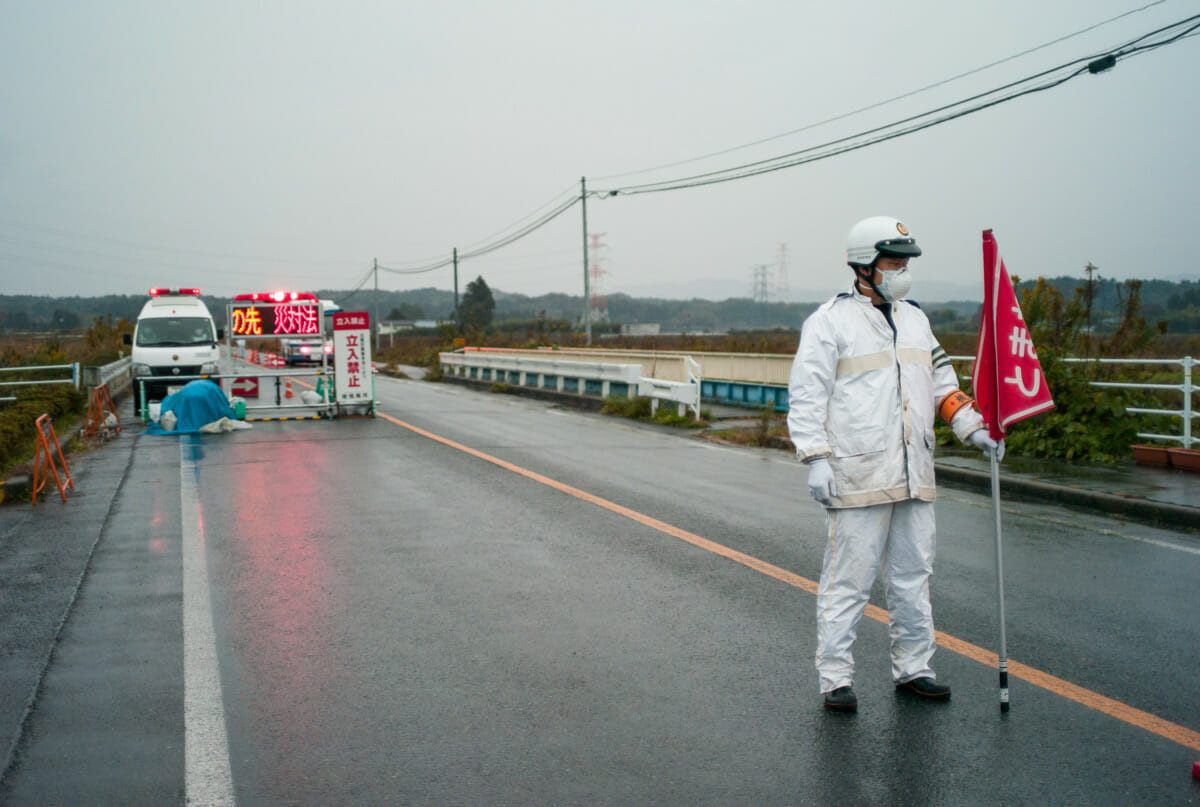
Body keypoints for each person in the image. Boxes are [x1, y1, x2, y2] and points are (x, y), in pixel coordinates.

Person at [787, 216, 1002, 713]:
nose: (901, 270)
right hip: (857, 471)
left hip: (914, 470)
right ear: (862, 265)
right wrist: (816, 457)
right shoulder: (829, 322)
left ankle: (914, 669)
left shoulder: (916, 320)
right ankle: (835, 678)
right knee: (848, 581)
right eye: (892, 261)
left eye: (905, 261)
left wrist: (974, 428)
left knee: (913, 575)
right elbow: (806, 396)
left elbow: (942, 384)